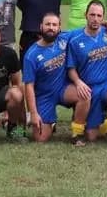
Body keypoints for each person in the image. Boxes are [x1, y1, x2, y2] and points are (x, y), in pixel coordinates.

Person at [66, 0, 107, 147]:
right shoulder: (75, 39)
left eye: (99, 16)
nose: (95, 18)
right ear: (85, 15)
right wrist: (78, 82)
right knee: (92, 136)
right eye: (92, 15)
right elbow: (71, 68)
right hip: (89, 88)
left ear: (103, 17)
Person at [22, 13, 89, 146]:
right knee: (40, 138)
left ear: (59, 28)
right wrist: (33, 113)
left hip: (63, 89)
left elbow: (86, 29)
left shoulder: (64, 38)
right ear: (41, 27)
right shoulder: (31, 55)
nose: (51, 28)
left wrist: (106, 23)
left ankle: (77, 133)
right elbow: (28, 86)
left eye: (54, 25)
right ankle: (50, 123)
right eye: (47, 24)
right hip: (44, 95)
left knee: (85, 95)